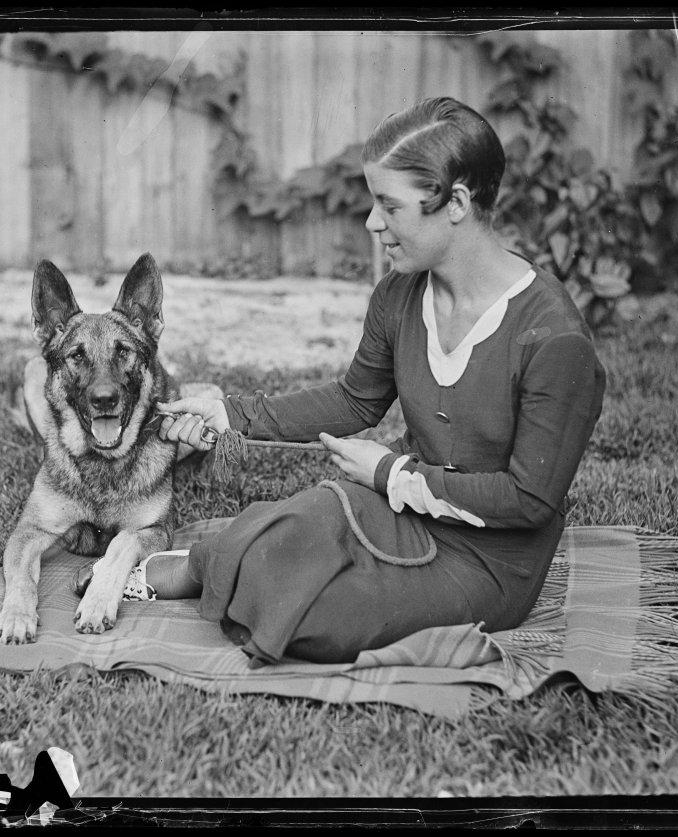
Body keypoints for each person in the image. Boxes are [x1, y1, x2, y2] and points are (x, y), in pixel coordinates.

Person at [146, 97, 607, 666]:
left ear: (456, 203)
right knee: (302, 522)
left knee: (318, 619)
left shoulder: (552, 339)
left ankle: (218, 565)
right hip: (404, 506)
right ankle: (212, 562)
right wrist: (230, 415)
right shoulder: (400, 295)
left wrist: (390, 473)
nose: (372, 223)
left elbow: (529, 501)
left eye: (389, 205)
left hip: (490, 560)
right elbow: (354, 400)